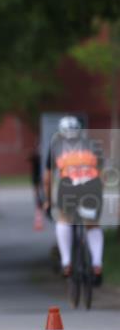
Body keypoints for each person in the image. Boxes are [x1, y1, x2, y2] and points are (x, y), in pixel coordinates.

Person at [43, 116, 105, 285]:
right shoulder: (93, 145)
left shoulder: (56, 147)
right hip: (92, 187)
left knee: (63, 219)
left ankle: (66, 263)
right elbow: (104, 174)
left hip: (69, 187)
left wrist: (47, 200)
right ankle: (97, 264)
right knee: (92, 224)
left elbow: (48, 179)